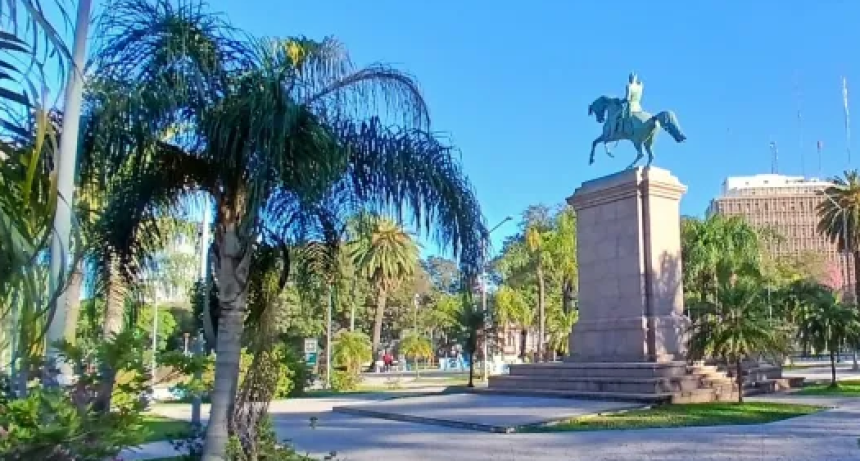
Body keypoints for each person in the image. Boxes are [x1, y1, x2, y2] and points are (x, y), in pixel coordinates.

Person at [616, 72, 644, 138]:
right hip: (638, 107)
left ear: (630, 78)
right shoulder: (640, 86)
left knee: (619, 116)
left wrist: (620, 101)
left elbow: (627, 98)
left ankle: (619, 131)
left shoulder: (629, 86)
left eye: (630, 78)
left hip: (631, 107)